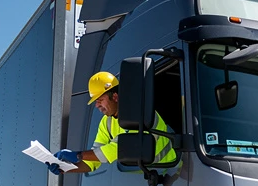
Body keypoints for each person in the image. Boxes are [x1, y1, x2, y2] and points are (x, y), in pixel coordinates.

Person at [47, 71, 176, 175]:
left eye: (100, 100)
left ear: (114, 97)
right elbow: (93, 161)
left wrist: (78, 155)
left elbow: (119, 149)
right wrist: (65, 168)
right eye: (95, 101)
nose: (97, 105)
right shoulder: (106, 122)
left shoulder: (138, 112)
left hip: (174, 171)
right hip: (150, 179)